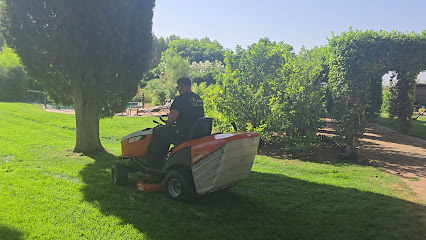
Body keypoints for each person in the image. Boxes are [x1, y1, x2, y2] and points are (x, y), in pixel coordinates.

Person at [142, 76, 204, 169]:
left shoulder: (180, 99)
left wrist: (168, 121)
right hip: (196, 132)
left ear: (181, 86)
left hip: (183, 132)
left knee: (158, 131)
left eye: (178, 87)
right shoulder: (198, 98)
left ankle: (152, 161)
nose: (178, 89)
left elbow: (172, 119)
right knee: (166, 131)